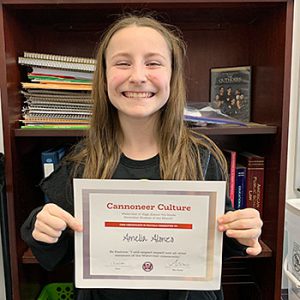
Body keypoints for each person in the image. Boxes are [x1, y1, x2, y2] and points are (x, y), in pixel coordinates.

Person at [21, 13, 263, 300]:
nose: (137, 76)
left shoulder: (203, 158)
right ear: (104, 76)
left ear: (173, 75)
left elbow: (216, 247)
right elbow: (58, 254)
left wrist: (242, 232)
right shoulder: (79, 163)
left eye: (153, 63)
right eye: (123, 63)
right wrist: (42, 227)